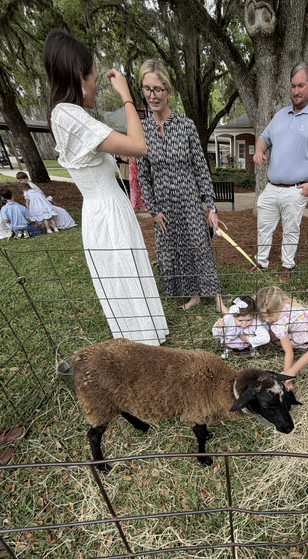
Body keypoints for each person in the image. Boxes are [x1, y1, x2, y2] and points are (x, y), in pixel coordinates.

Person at [44, 29, 169, 346]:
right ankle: (140, 347)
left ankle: (146, 340)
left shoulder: (70, 115)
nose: (97, 87)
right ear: (79, 77)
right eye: (94, 78)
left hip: (108, 208)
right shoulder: (68, 115)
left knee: (128, 274)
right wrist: (126, 94)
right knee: (122, 276)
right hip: (106, 213)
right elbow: (139, 145)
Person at [137, 59, 227, 313]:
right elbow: (143, 175)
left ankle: (217, 299)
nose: (152, 95)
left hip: (189, 201)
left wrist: (211, 208)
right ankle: (194, 295)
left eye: (157, 89)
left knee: (200, 248)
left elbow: (201, 168)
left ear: (167, 91)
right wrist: (153, 210)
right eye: (147, 89)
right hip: (163, 207)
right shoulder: (142, 130)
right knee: (176, 252)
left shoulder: (186, 125)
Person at [249, 62, 308, 283]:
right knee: (263, 227)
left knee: (290, 230)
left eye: (301, 86)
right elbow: (263, 138)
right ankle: (261, 261)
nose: (296, 91)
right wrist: (259, 150)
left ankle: (287, 265)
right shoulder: (281, 115)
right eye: (293, 86)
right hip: (271, 187)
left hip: (297, 189)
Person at [257, 286, 308, 370]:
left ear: (277, 308)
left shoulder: (280, 325)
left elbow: (289, 351)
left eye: (270, 316)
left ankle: (297, 347)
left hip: (307, 339)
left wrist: (286, 372)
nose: (267, 320)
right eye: (263, 316)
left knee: (271, 336)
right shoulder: (283, 302)